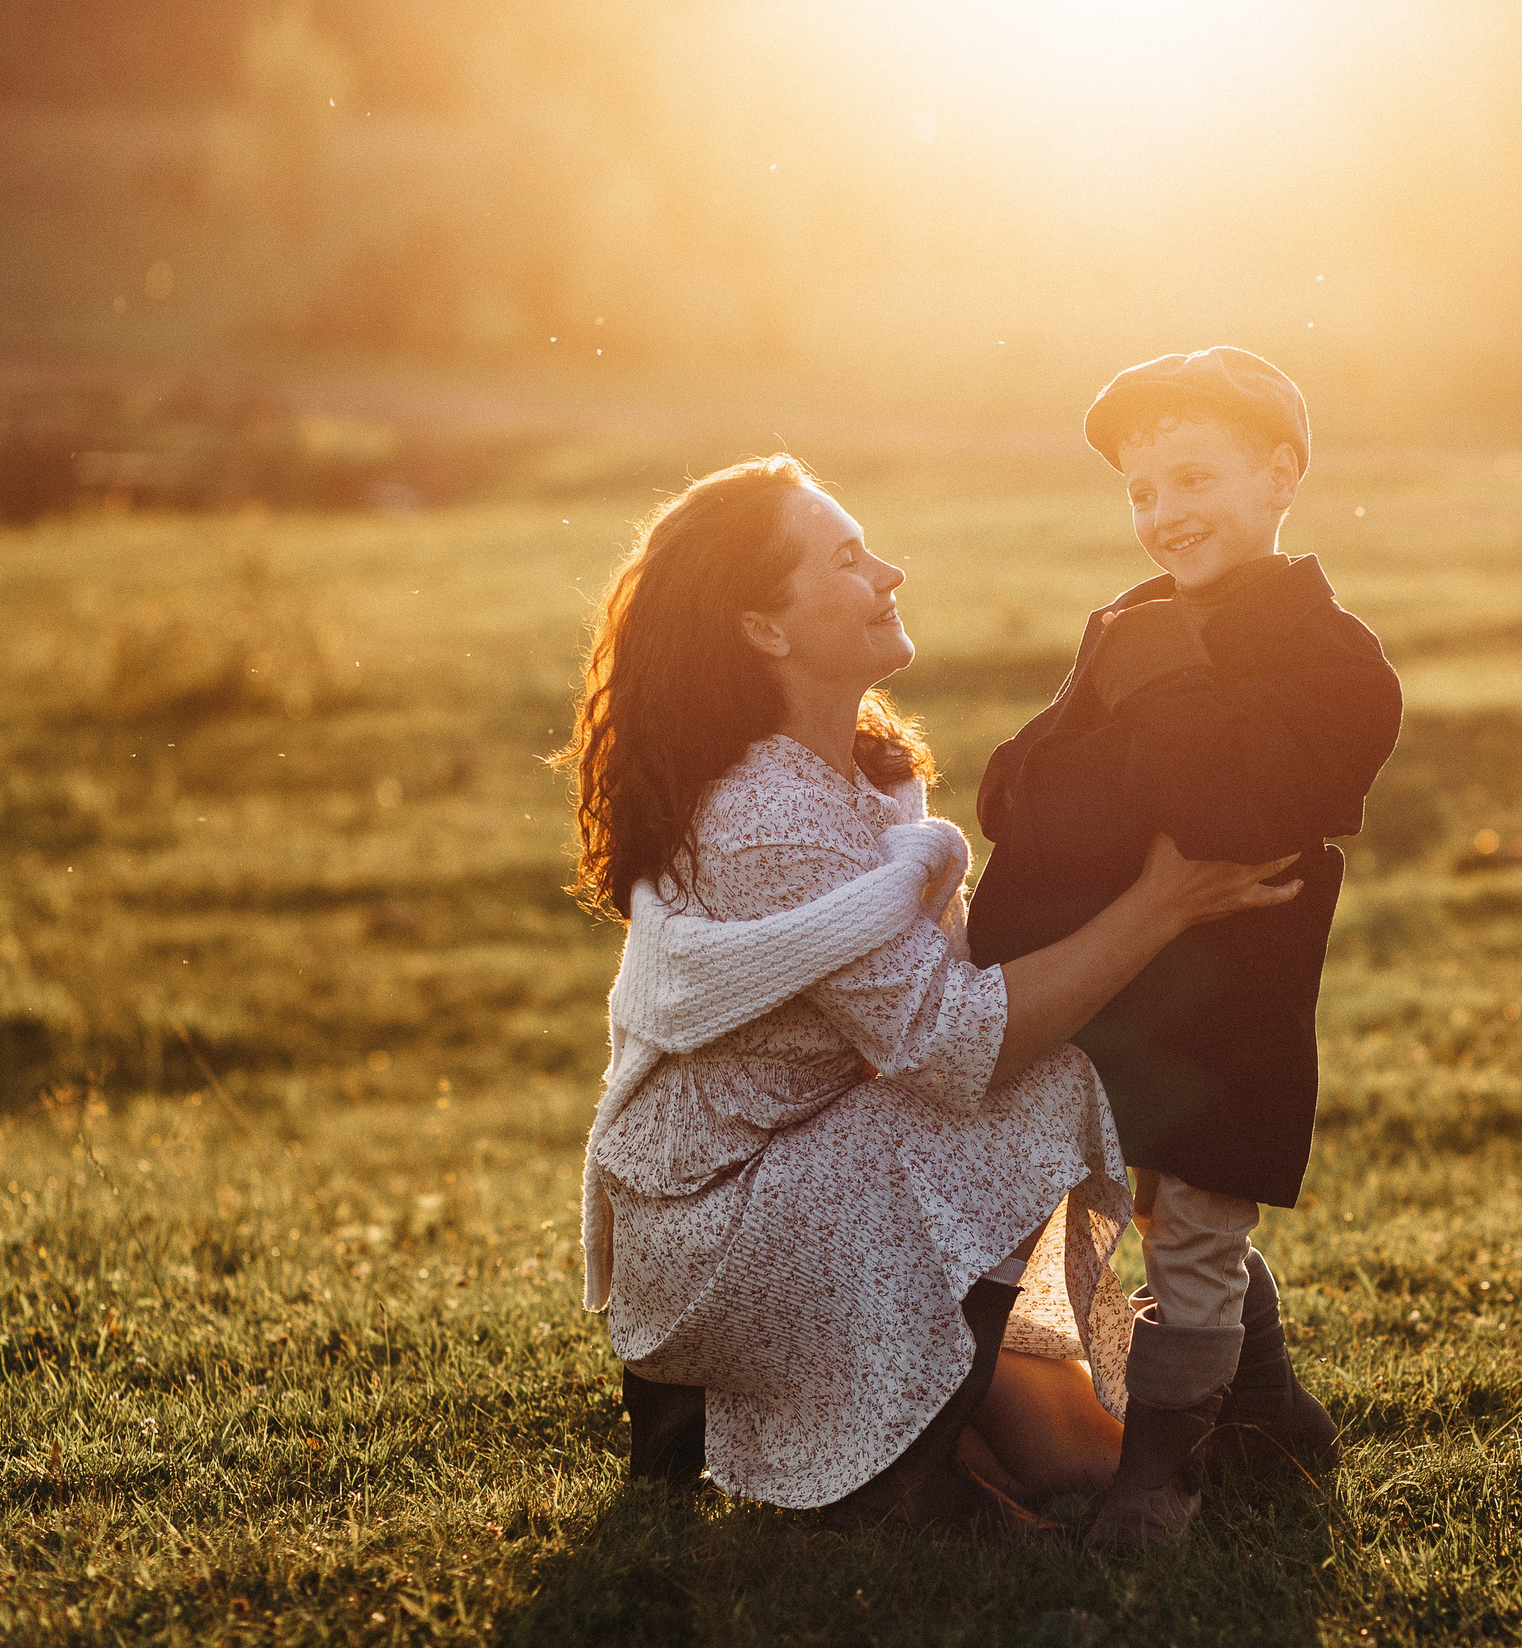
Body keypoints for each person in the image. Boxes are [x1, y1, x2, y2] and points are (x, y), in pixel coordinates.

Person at [558, 454, 1300, 1529]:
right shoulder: (769, 814)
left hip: (813, 1173)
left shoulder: (864, 776)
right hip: (721, 1232)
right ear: (763, 628)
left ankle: (1216, 1372)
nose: (891, 573)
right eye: (849, 561)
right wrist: (1160, 905)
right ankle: (906, 1471)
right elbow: (960, 1046)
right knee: (1045, 1081)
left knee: (1088, 1464)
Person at [967, 347, 1404, 1549]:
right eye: (1140, 492)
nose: (1163, 515)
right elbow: (1015, 782)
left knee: (1199, 1222)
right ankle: (1271, 1416)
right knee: (1133, 1205)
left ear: (1279, 477)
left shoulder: (1334, 662)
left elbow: (1233, 804)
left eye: (1192, 477)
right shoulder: (1128, 626)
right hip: (1104, 985)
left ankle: (1161, 1480)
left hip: (1225, 1013)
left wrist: (1147, 690)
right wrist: (1082, 746)